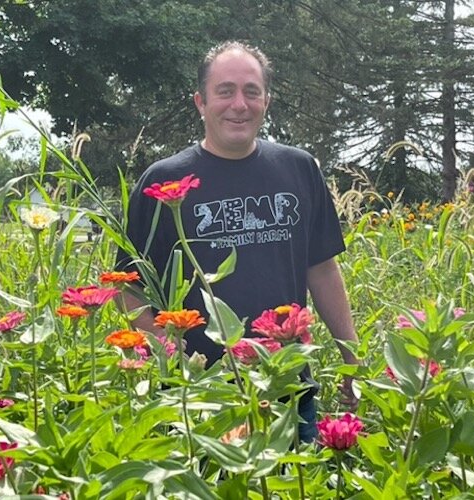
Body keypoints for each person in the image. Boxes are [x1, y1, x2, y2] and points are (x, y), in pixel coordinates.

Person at [118, 41, 359, 441]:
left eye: (251, 91)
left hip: (288, 385)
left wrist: (354, 362)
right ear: (201, 101)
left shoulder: (299, 169)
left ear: (267, 99)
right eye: (225, 91)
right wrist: (172, 360)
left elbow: (323, 270)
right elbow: (128, 287)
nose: (239, 104)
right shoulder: (163, 183)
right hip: (201, 398)